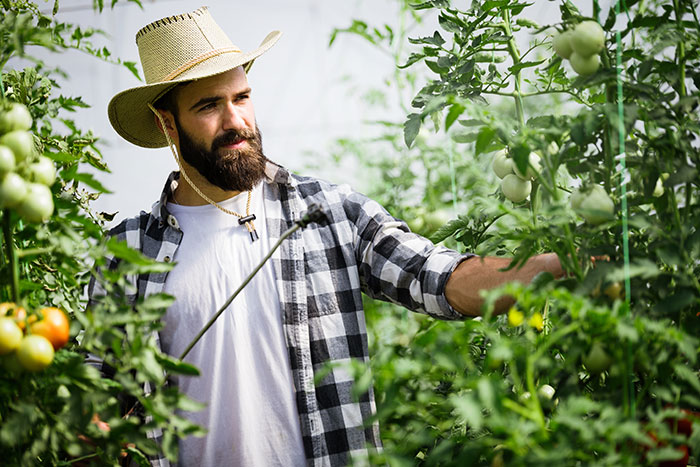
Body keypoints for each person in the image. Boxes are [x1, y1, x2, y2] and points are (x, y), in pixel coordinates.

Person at [94, 6, 564, 466]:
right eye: (208, 106)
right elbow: (97, 394)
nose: (236, 120)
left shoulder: (326, 211)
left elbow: (435, 278)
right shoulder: (127, 255)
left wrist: (553, 267)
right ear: (167, 123)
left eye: (240, 97)